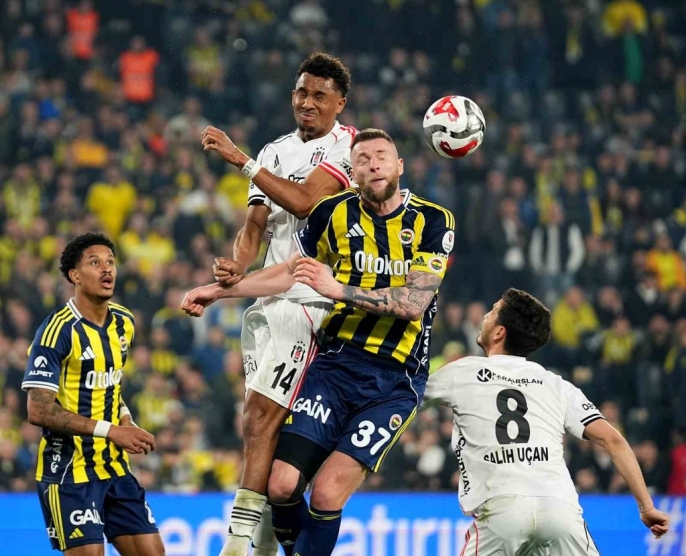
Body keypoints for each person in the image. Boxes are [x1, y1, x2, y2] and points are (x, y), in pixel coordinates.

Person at [183, 128, 455, 556]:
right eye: (362, 159)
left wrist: (337, 289)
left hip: (393, 381)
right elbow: (292, 271)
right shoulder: (333, 212)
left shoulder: (433, 220)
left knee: (326, 494)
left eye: (382, 156)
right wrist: (218, 292)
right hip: (334, 366)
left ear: (400, 166)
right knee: (281, 485)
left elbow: (414, 303)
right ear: (353, 172)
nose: (373, 164)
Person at [198, 52, 356, 556]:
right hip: (267, 297)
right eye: (301, 92)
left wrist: (240, 159)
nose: (307, 102)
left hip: (311, 297)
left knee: (259, 415)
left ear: (339, 103)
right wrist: (237, 265)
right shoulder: (274, 149)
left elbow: (306, 201)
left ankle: (237, 540)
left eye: (319, 96)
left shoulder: (349, 146)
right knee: (266, 425)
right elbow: (255, 226)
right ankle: (267, 543)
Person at [423, 287, 670, 555]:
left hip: (502, 510)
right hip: (560, 508)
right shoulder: (555, 384)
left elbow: (406, 396)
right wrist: (646, 507)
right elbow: (613, 440)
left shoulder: (464, 371)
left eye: (492, 312)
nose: (484, 316)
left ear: (499, 332)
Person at [22, 232, 164, 556]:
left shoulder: (124, 322)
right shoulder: (57, 331)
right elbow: (39, 410)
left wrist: (126, 420)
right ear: (75, 275)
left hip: (114, 466)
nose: (107, 269)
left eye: (110, 262)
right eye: (95, 263)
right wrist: (111, 431)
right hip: (69, 470)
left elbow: (109, 384)